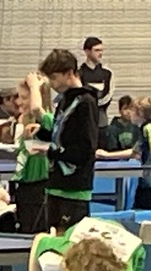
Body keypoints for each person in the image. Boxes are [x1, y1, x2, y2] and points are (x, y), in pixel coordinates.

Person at [39, 48, 97, 231]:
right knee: (52, 239)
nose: (52, 84)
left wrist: (52, 152)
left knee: (70, 242)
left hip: (75, 188)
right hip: (55, 184)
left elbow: (86, 149)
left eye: (54, 78)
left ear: (69, 73)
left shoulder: (86, 102)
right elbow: (61, 137)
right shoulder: (64, 100)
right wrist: (41, 133)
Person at [99, 97, 151, 209]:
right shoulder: (143, 129)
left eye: (132, 110)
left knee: (149, 208)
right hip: (144, 180)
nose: (129, 113)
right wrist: (106, 155)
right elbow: (134, 153)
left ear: (140, 113)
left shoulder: (149, 129)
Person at [13, 74, 53, 234]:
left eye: (24, 97)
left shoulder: (48, 121)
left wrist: (34, 85)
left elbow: (36, 109)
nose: (18, 102)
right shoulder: (23, 122)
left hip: (41, 189)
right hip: (24, 187)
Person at [78, 37, 112, 144]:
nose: (100, 53)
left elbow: (108, 96)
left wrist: (93, 103)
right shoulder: (79, 73)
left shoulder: (107, 73)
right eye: (97, 50)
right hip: (84, 122)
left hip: (101, 122)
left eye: (101, 50)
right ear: (87, 51)